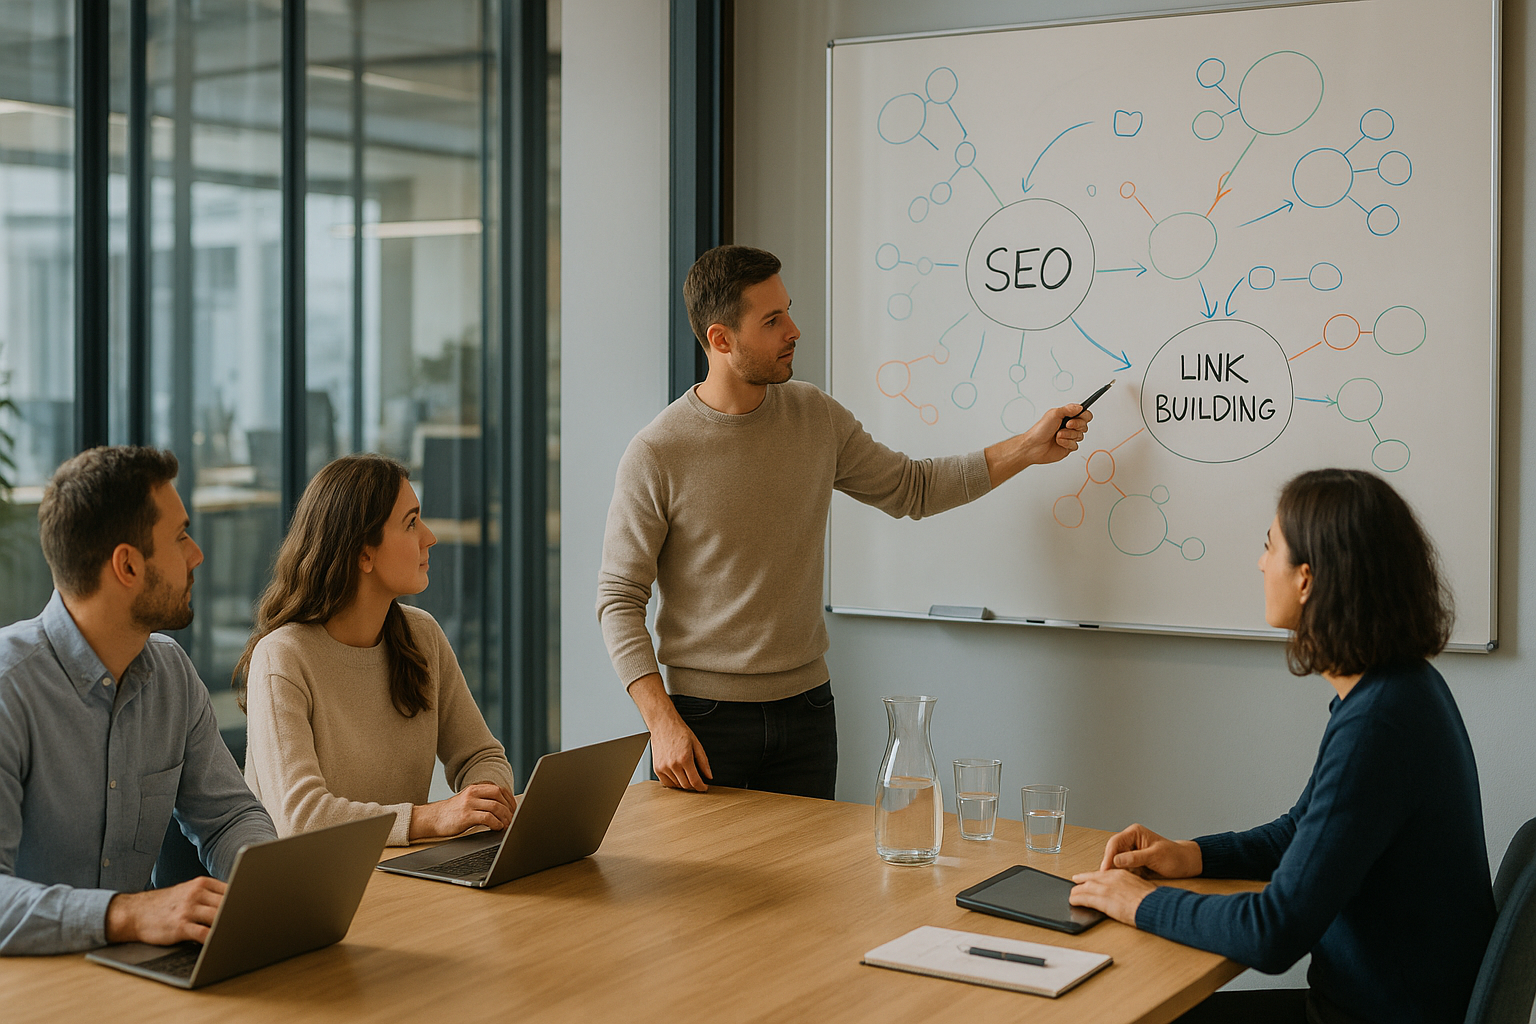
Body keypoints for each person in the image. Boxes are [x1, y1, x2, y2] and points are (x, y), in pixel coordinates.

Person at [597, 244, 1091, 800]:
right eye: (772, 320)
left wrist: (1027, 448)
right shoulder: (658, 452)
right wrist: (660, 722)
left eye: (788, 311)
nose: (794, 330)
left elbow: (913, 487)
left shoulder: (815, 416)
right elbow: (619, 598)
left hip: (807, 711)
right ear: (721, 339)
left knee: (814, 863)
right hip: (704, 722)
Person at [1068, 469, 1496, 1024]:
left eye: (1270, 547)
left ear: (1307, 580)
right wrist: (1191, 855)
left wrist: (1139, 902)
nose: (1260, 563)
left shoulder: (1378, 724)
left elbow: (1273, 932)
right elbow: (1303, 831)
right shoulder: (1400, 687)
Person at [0, 446, 277, 955]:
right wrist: (127, 913)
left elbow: (229, 818)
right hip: (32, 981)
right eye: (180, 537)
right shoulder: (8, 687)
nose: (197, 554)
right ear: (127, 565)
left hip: (138, 969)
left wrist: (272, 889)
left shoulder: (172, 674)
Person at [237, 454, 516, 847]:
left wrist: (482, 802)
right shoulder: (282, 657)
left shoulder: (422, 635)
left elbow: (482, 756)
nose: (429, 537)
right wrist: (431, 818)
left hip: (397, 872)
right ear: (363, 553)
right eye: (411, 523)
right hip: (307, 882)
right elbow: (301, 818)